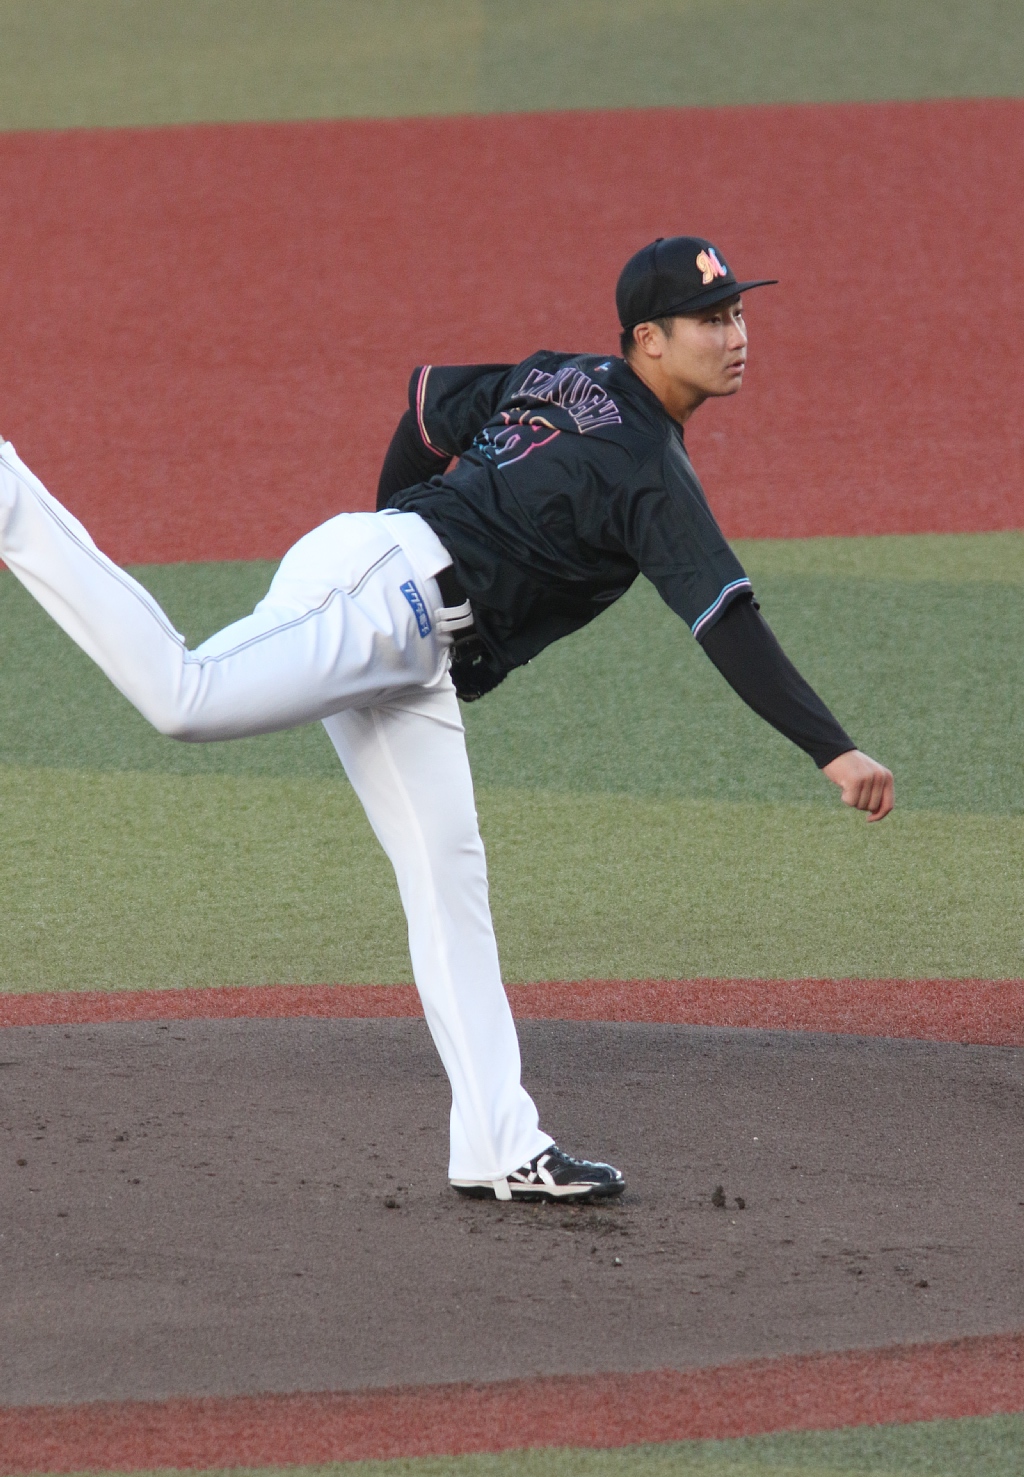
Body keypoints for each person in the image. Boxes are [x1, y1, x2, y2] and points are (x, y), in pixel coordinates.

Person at [0, 236, 893, 1204]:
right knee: (185, 698)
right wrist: (833, 750)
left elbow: (430, 410)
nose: (737, 335)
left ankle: (497, 1142)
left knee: (447, 882)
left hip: (405, 625)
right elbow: (726, 620)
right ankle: (10, 493)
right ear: (649, 339)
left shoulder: (559, 374)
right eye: (711, 320)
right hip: (388, 600)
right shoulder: (647, 466)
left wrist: (392, 527)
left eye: (738, 313)